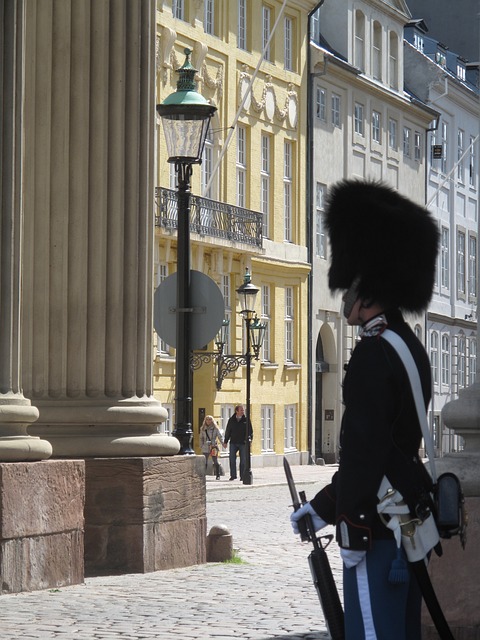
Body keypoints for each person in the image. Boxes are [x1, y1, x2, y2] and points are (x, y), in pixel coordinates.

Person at [290, 179, 439, 640]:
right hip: (405, 517)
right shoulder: (409, 347)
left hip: (375, 526)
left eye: (351, 284)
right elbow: (390, 445)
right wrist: (321, 506)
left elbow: (363, 448)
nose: (345, 294)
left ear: (368, 287)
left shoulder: (374, 355)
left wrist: (347, 515)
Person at [223, 404, 253, 481]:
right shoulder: (231, 420)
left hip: (243, 443)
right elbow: (228, 431)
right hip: (233, 442)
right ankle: (233, 475)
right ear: (237, 411)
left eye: (243, 410)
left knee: (243, 460)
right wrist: (225, 441)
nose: (243, 412)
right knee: (232, 459)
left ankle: (242, 476)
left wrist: (250, 440)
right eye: (241, 410)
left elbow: (250, 431)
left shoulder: (246, 420)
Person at [199, 415, 224, 480]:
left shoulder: (215, 428)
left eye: (210, 419)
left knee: (215, 461)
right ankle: (203, 475)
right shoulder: (203, 428)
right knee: (205, 461)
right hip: (205, 445)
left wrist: (223, 443)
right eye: (207, 419)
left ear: (212, 420)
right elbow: (201, 437)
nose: (208, 421)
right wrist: (201, 445)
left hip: (213, 446)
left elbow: (220, 436)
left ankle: (217, 475)